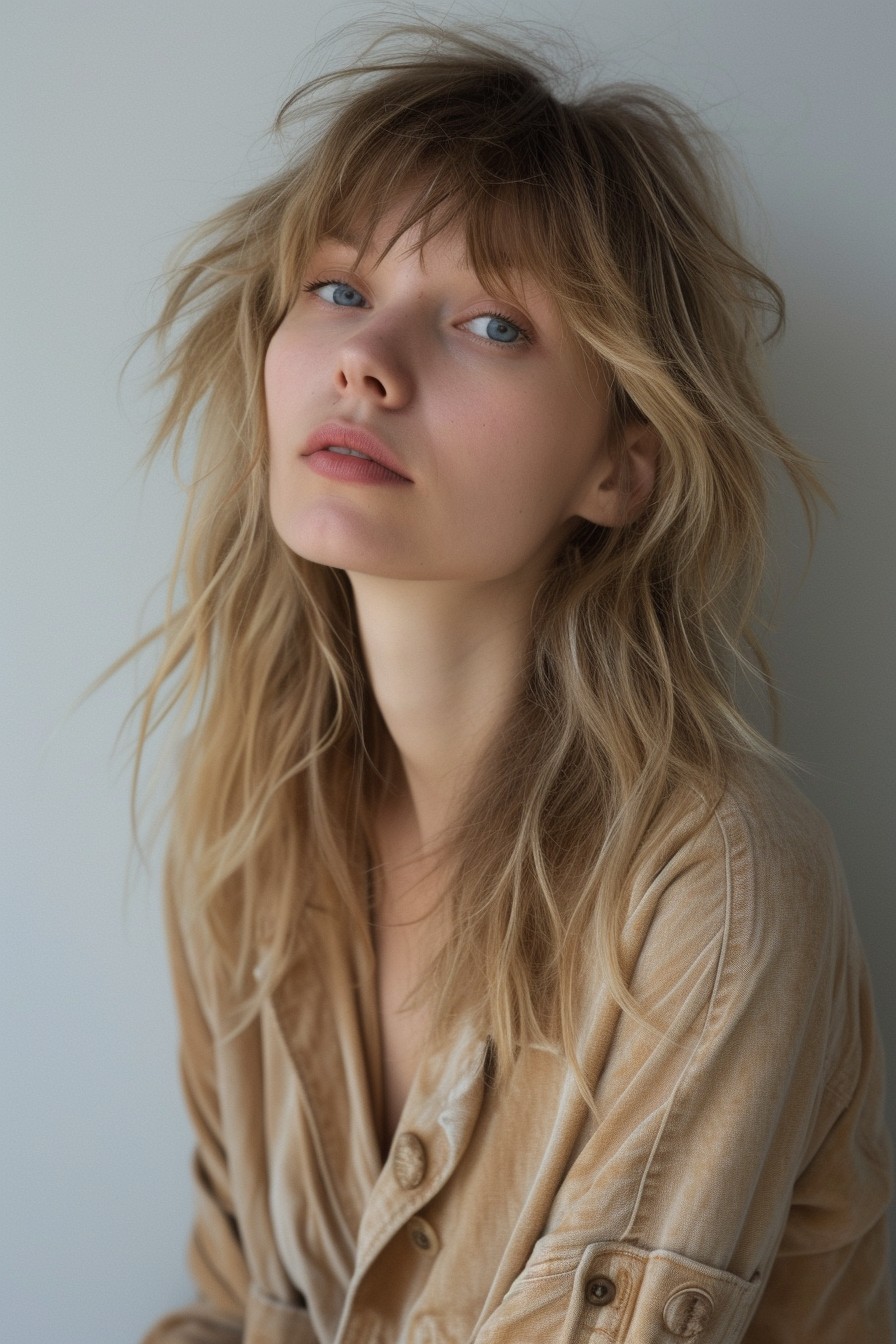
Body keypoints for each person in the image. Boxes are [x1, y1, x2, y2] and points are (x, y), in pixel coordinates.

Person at [132, 22, 892, 1343]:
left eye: (490, 322)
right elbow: (227, 1307)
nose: (368, 360)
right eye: (337, 290)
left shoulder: (716, 888)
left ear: (622, 468)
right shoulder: (242, 839)